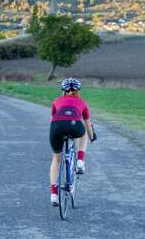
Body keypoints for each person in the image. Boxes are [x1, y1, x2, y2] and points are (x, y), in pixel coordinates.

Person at [49, 78, 96, 206]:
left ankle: (54, 194)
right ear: (78, 91)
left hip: (56, 128)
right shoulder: (82, 102)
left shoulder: (56, 101)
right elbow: (88, 125)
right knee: (85, 132)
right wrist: (92, 137)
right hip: (74, 126)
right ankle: (80, 161)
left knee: (56, 159)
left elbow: (53, 120)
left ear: (63, 91)